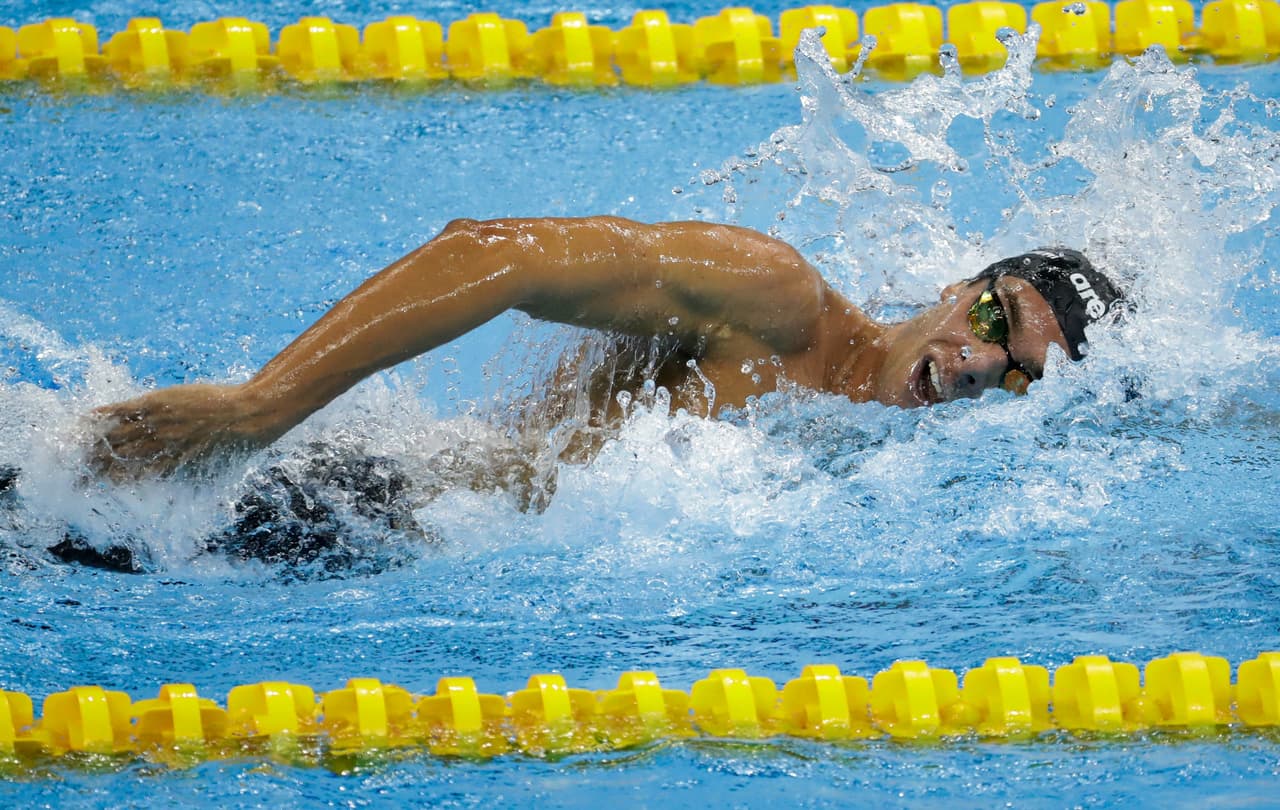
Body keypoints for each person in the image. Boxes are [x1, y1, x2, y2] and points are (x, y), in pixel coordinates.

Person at [88, 216, 1124, 479]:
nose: (976, 364)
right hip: (347, 505)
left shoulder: (898, 476)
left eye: (1018, 378)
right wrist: (260, 407)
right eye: (993, 321)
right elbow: (492, 256)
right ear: (957, 286)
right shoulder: (774, 300)